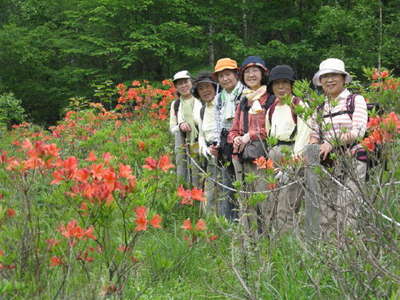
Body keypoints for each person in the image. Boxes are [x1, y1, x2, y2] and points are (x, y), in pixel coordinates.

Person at [309, 58, 368, 235]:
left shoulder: (355, 100)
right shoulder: (319, 108)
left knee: (347, 206)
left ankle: (349, 250)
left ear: (343, 79)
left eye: (334, 75)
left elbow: (358, 131)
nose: (329, 80)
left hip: (352, 159)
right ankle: (330, 252)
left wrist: (331, 143)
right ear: (320, 82)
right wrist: (312, 148)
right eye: (325, 76)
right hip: (327, 163)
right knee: (326, 209)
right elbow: (313, 134)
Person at [228, 56, 271, 236]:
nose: (251, 75)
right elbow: (233, 129)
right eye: (247, 72)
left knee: (265, 201)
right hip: (243, 158)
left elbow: (271, 129)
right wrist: (236, 138)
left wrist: (249, 136)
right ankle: (251, 241)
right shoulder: (243, 101)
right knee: (247, 202)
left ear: (263, 74)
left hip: (262, 158)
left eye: (255, 71)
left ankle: (269, 239)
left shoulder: (270, 99)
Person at [265, 65, 311, 233]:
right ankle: (273, 241)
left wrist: (291, 165)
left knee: (287, 204)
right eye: (277, 83)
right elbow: (269, 135)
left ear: (292, 85)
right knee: (272, 202)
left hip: (293, 154)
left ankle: (287, 245)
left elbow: (303, 136)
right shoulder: (271, 109)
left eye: (285, 83)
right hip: (275, 155)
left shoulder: (299, 106)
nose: (281, 87)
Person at [209, 58, 245, 221]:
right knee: (228, 183)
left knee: (244, 182)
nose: (225, 79)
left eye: (228, 74)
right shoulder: (219, 98)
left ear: (236, 74)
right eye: (221, 76)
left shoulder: (245, 93)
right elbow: (217, 122)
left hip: (243, 141)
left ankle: (247, 221)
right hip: (225, 143)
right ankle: (230, 220)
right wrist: (216, 143)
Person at [169, 70, 202, 187]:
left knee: (199, 169)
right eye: (179, 84)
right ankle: (185, 196)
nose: (183, 86)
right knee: (184, 168)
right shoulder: (176, 104)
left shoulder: (201, 99)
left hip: (199, 141)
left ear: (191, 82)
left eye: (185, 82)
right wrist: (180, 125)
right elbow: (172, 128)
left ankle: (198, 196)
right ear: (176, 87)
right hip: (183, 143)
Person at [193, 71, 219, 214]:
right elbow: (201, 135)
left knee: (223, 191)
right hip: (209, 154)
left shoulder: (221, 104)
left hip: (223, 152)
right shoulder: (202, 110)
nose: (205, 91)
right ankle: (209, 223)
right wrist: (204, 149)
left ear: (215, 87)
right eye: (201, 88)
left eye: (208, 86)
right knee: (209, 191)